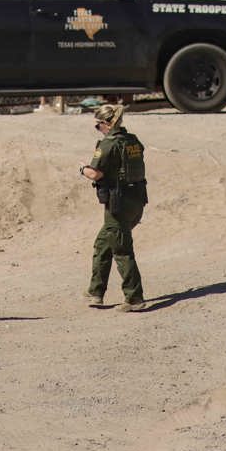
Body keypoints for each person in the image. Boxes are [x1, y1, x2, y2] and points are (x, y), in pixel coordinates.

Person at [80, 104, 148, 312]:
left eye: (98, 125)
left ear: (107, 124)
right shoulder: (133, 141)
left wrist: (82, 169)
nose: (98, 129)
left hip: (118, 204)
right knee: (103, 244)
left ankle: (134, 297)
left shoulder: (108, 144)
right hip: (136, 200)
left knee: (121, 249)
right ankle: (96, 292)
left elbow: (96, 173)